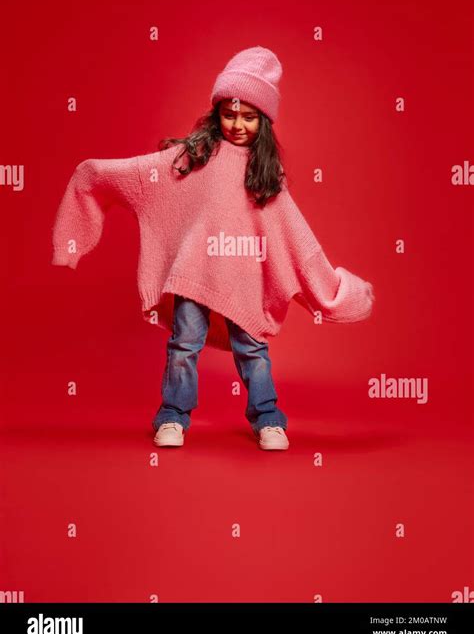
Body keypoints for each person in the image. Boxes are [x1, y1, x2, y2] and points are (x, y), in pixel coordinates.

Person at [51, 46, 375, 452]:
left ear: (265, 120)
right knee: (184, 345)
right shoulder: (195, 155)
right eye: (229, 113)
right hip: (194, 275)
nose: (237, 124)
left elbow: (295, 236)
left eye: (249, 116)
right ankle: (173, 416)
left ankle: (268, 419)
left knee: (253, 349)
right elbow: (137, 177)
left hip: (245, 277)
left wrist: (332, 290)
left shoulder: (265, 174)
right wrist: (90, 184)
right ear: (217, 111)